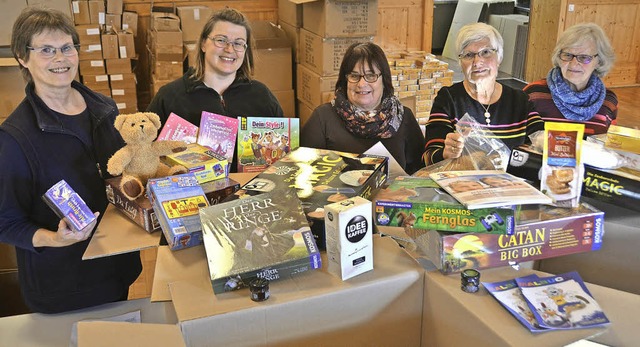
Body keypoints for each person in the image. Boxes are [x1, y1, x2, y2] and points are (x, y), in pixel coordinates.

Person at [0, 7, 141, 314]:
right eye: (46, 50)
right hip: (63, 285)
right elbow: (7, 222)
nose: (60, 59)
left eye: (66, 48)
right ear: (23, 58)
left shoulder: (104, 108)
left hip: (117, 268)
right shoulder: (15, 137)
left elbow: (118, 173)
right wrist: (54, 238)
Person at [424, 22, 544, 166]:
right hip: (464, 185)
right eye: (468, 55)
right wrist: (445, 153)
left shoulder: (519, 100)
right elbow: (428, 158)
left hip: (510, 185)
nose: (477, 61)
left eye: (486, 52)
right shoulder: (449, 99)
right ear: (460, 62)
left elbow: (541, 141)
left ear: (499, 58)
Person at [300, 42, 426, 175]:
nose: (362, 84)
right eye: (354, 76)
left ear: (384, 80)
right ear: (345, 80)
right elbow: (303, 171)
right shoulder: (322, 118)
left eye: (371, 76)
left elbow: (420, 172)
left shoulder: (403, 117)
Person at [146, 8, 283, 126]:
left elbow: (285, 152)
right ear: (203, 44)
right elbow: (141, 149)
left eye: (238, 43)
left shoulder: (262, 96)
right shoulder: (169, 97)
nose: (230, 49)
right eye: (221, 40)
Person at [524, 23, 617, 136]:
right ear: (558, 57)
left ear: (599, 61)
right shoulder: (534, 93)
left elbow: (610, 144)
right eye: (568, 55)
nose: (574, 64)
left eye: (584, 57)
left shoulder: (608, 100)